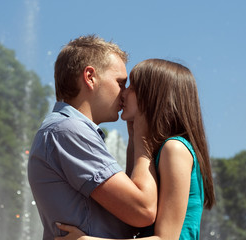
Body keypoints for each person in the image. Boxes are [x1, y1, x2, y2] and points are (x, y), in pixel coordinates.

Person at [55, 59, 216, 240]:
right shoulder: (155, 149)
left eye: (132, 87)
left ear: (151, 96)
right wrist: (136, 138)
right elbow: (132, 217)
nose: (123, 92)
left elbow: (166, 238)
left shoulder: (174, 149)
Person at [28, 35, 158, 240]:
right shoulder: (68, 130)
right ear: (90, 77)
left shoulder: (65, 130)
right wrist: (144, 138)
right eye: (120, 83)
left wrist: (134, 137)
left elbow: (129, 220)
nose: (124, 94)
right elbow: (143, 211)